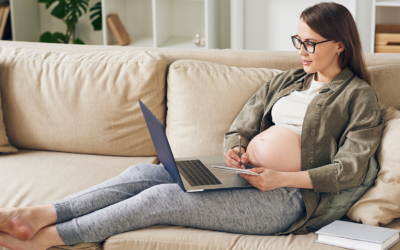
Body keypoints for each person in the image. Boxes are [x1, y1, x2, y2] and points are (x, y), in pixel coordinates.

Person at [0, 2, 384, 250]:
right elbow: (242, 124)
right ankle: (36, 215)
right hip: (240, 174)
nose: (300, 50)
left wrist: (281, 179)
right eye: (297, 40)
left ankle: (48, 239)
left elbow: (348, 170)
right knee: (141, 173)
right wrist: (236, 148)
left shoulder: (358, 97)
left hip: (287, 200)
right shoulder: (286, 81)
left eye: (311, 43)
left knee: (160, 200)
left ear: (340, 45)